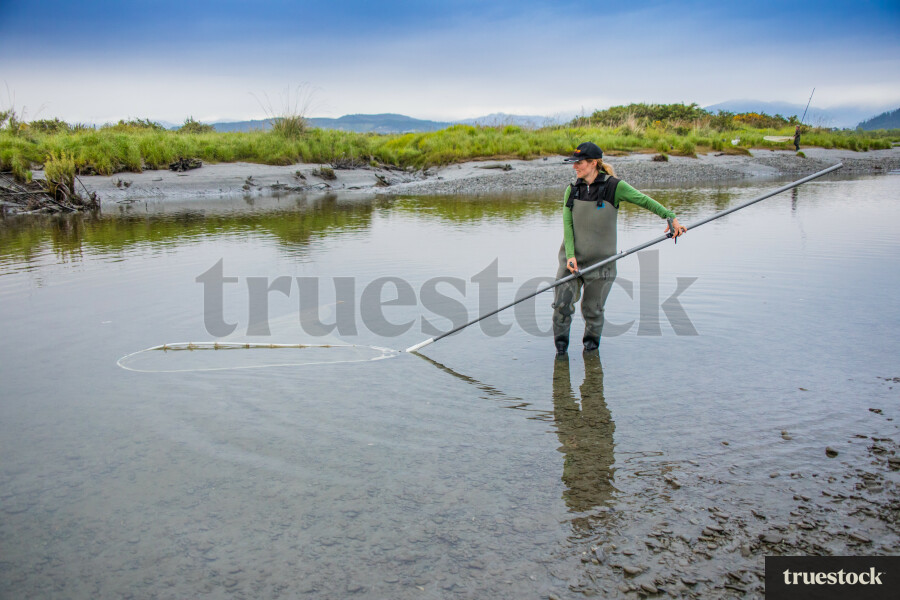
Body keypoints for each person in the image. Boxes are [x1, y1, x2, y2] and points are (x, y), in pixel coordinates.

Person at [552, 142, 685, 355]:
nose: (575, 167)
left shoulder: (615, 187)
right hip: (571, 262)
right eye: (574, 163)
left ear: (593, 163)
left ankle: (591, 357)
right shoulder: (572, 190)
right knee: (561, 306)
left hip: (602, 264)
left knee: (593, 311)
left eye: (579, 163)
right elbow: (567, 226)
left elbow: (645, 201)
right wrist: (569, 256)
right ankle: (560, 355)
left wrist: (671, 218)